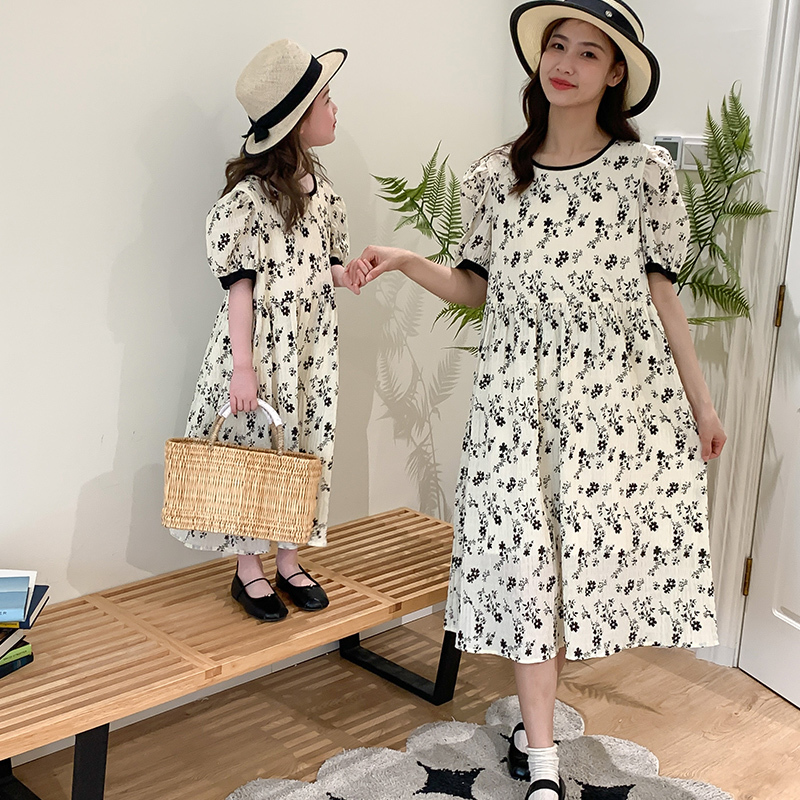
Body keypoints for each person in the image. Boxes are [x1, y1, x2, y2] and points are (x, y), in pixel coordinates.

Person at [347, 2, 725, 797]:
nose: (566, 63)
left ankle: (536, 723)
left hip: (610, 404)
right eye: (557, 46)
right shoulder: (496, 175)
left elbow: (663, 292)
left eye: (590, 53)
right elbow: (473, 288)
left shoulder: (644, 173)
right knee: (525, 565)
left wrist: (700, 400)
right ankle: (546, 765)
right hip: (517, 402)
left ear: (615, 73)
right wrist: (407, 258)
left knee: (572, 568)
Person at [171, 39, 360, 621]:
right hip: (262, 349)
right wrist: (243, 367)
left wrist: (345, 274)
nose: (335, 110)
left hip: (309, 349)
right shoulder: (248, 202)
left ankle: (288, 557)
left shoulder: (323, 195)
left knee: (302, 450)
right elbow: (242, 289)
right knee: (255, 453)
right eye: (326, 100)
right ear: (299, 121)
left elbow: (315, 266)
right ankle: (247, 568)